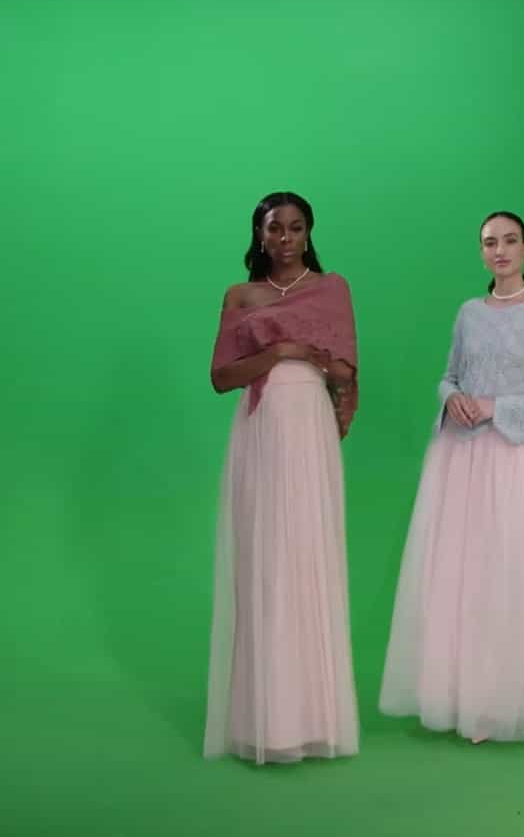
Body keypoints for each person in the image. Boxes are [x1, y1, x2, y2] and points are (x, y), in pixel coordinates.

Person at [379, 211, 524, 750]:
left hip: (513, 455)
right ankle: (484, 702)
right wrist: (450, 397)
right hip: (458, 457)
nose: (499, 250)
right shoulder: (468, 313)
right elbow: (448, 376)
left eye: (509, 241)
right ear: (481, 252)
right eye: (489, 242)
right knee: (471, 578)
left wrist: (497, 406)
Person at [204, 191, 360, 764]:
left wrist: (306, 356)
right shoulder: (240, 295)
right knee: (265, 560)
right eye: (275, 228)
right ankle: (264, 721)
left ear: (308, 232)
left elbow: (344, 369)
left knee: (309, 556)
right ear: (260, 234)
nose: (285, 238)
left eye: (295, 227)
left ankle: (316, 719)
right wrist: (280, 351)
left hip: (309, 426)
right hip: (262, 429)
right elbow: (222, 377)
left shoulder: (332, 288)